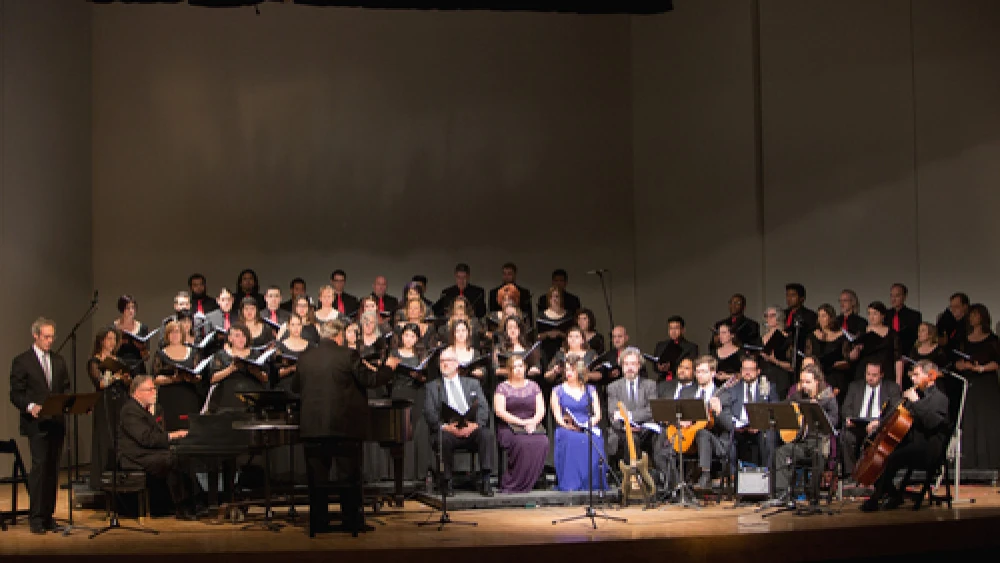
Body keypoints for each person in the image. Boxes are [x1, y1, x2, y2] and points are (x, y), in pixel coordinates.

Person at [292, 319, 399, 536]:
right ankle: (351, 523)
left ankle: (319, 524)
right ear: (339, 336)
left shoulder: (304, 357)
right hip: (344, 427)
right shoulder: (348, 355)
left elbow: (296, 387)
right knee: (348, 478)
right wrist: (389, 368)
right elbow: (370, 380)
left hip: (312, 428)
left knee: (317, 480)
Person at [860, 360, 950, 511]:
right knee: (882, 454)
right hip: (913, 443)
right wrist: (881, 423)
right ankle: (893, 494)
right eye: (912, 375)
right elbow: (899, 416)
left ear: (931, 376)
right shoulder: (917, 395)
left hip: (929, 448)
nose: (913, 379)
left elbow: (930, 423)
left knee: (890, 457)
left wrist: (915, 402)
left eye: (917, 375)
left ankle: (879, 497)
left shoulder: (940, 398)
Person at [9, 318, 70, 534]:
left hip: (56, 423)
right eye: (46, 336)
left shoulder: (59, 361)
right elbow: (15, 394)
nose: (50, 340)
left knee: (53, 470)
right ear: (35, 335)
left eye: (52, 336)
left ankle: (47, 516)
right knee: (40, 469)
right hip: (36, 424)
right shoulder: (22, 361)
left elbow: (64, 388)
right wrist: (30, 406)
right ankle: (35, 517)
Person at [118, 375, 198, 520]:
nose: (155, 392)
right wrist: (171, 436)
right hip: (135, 457)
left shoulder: (146, 409)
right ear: (137, 392)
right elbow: (146, 439)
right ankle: (182, 507)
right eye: (150, 389)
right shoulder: (130, 410)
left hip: (147, 453)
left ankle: (192, 503)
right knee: (173, 459)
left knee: (181, 455)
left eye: (155, 389)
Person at [424, 348, 496, 497]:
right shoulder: (432, 387)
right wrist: (446, 427)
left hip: (471, 428)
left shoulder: (472, 383)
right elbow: (430, 413)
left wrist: (475, 425)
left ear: (457, 364)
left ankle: (486, 480)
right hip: (448, 431)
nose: (445, 364)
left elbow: (483, 407)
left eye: (448, 361)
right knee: (442, 438)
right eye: (442, 361)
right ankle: (447, 481)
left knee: (485, 434)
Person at [774, 365, 838, 503]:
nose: (804, 385)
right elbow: (784, 406)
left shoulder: (828, 396)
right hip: (802, 443)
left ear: (817, 381)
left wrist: (818, 413)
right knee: (781, 452)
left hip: (820, 442)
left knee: (818, 455)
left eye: (807, 382)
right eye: (802, 381)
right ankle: (781, 494)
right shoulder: (799, 395)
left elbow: (834, 421)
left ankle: (813, 496)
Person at [551, 354, 607, 492]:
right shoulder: (557, 390)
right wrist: (567, 426)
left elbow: (598, 414)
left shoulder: (590, 390)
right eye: (567, 369)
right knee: (571, 439)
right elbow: (557, 416)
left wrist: (587, 424)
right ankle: (570, 483)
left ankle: (593, 483)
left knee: (594, 439)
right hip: (567, 427)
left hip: (587, 425)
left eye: (573, 370)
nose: (568, 373)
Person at [493, 356, 548, 493]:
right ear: (509, 370)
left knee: (543, 441)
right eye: (514, 367)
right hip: (509, 426)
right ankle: (514, 482)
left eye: (520, 366)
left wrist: (533, 422)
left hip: (531, 424)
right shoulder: (502, 387)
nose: (518, 369)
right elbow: (500, 411)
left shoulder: (534, 386)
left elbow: (541, 410)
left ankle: (530, 480)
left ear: (525, 368)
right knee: (522, 443)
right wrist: (521, 422)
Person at [839, 360, 902, 478]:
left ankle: (874, 475)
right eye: (868, 374)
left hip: (879, 426)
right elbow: (845, 408)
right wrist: (849, 419)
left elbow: (895, 411)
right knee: (846, 436)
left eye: (874, 375)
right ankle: (851, 474)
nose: (870, 378)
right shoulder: (855, 386)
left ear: (881, 375)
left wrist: (879, 422)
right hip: (858, 424)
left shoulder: (892, 388)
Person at [606, 347, 661, 467]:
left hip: (645, 430)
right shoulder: (613, 387)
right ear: (621, 366)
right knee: (630, 437)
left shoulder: (650, 385)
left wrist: (629, 416)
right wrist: (626, 426)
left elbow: (652, 410)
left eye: (633, 364)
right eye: (626, 364)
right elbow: (613, 413)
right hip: (622, 430)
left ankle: (659, 475)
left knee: (661, 436)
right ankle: (633, 474)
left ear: (639, 365)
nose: (629, 367)